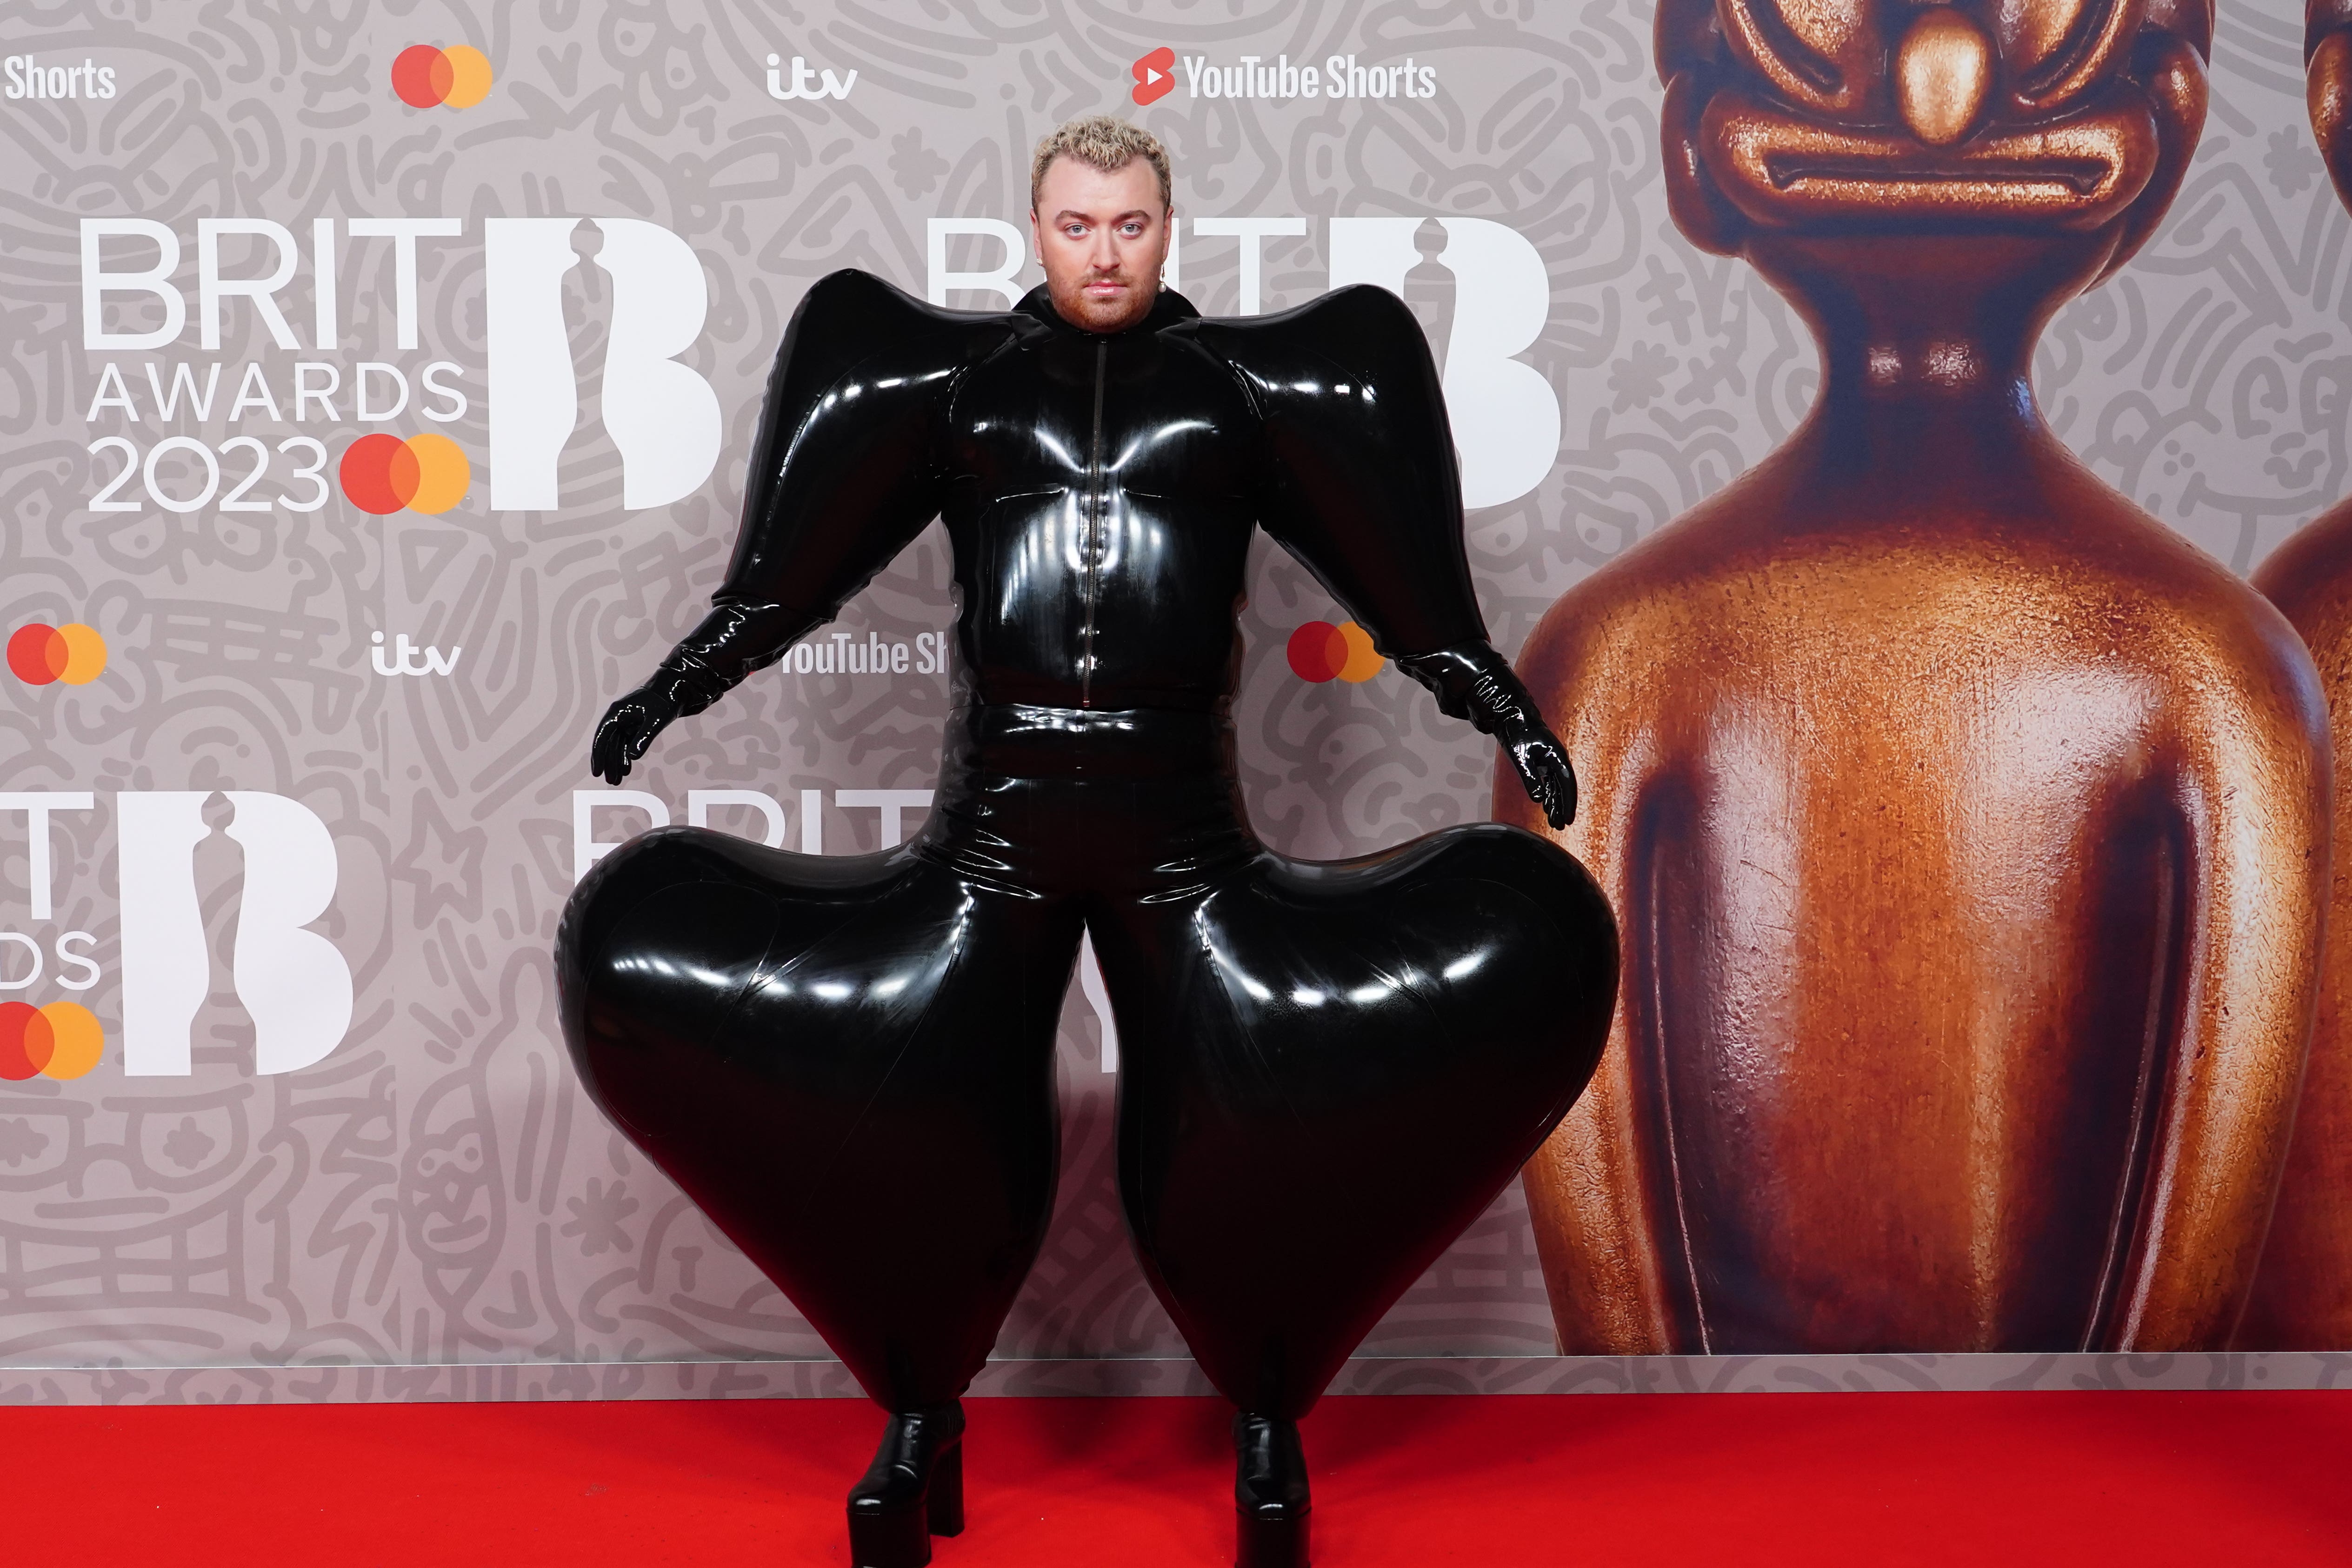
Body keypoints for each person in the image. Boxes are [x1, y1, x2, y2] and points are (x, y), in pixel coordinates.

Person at [557, 115, 1616, 1568]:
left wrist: (1504, 708)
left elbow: (1409, 591)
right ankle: (920, 1408)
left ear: (1167, 227)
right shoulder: (958, 389)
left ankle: (1264, 1412)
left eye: (1128, 224)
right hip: (989, 837)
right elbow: (789, 575)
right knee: (915, 1097)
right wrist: (672, 688)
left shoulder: (1240, 393)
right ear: (1033, 228)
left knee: (1256, 1100)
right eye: (1075, 225)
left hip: (1184, 842)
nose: (1103, 251)